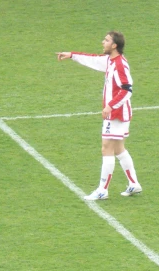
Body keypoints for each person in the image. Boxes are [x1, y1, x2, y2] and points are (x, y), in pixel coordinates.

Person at [56, 32, 142, 201]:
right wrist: (72, 55)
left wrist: (110, 106)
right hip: (116, 113)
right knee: (118, 149)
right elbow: (94, 60)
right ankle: (134, 184)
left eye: (107, 40)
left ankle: (103, 190)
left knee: (106, 148)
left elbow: (127, 89)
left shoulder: (119, 65)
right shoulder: (110, 61)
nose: (103, 42)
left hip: (116, 114)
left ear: (115, 45)